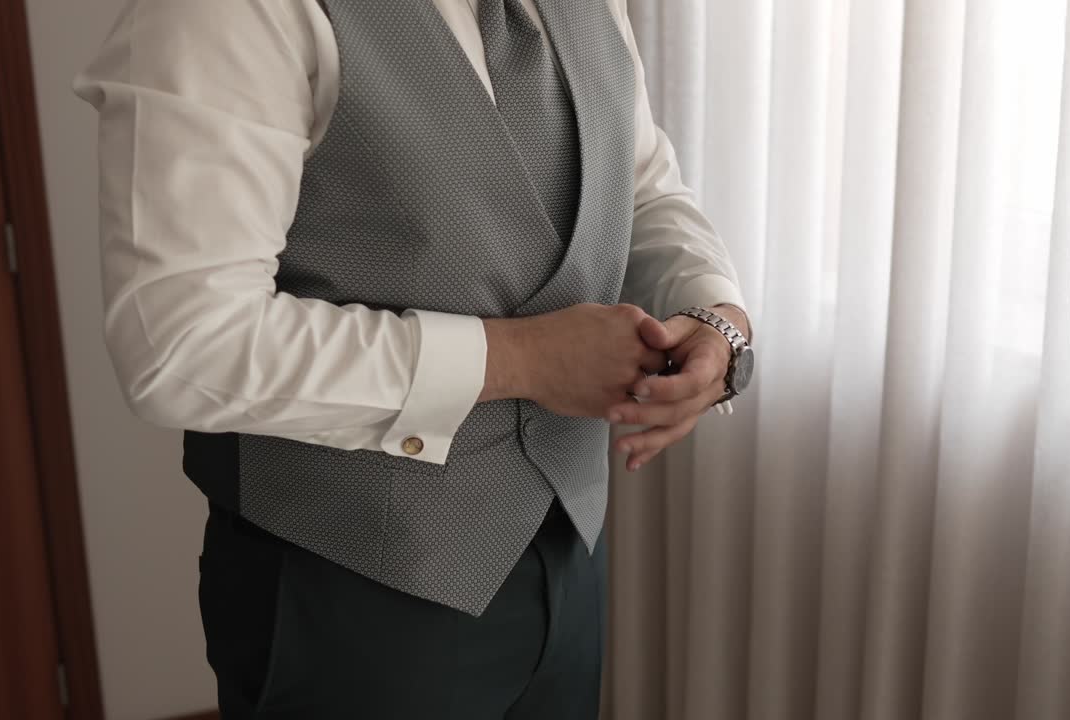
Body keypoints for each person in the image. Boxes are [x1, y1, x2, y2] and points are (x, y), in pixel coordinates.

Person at [76, 0, 754, 717]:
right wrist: (519, 361)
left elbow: (640, 179)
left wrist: (716, 312)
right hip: (349, 591)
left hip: (568, 553)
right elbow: (180, 346)